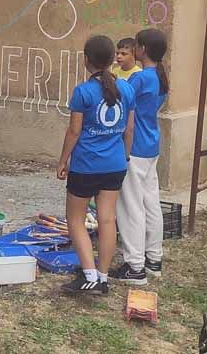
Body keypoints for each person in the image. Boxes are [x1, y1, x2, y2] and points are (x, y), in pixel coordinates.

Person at [56, 35, 136, 295]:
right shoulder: (126, 88)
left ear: (86, 60)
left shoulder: (82, 91)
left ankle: (89, 274)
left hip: (86, 165)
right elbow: (129, 129)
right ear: (113, 59)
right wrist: (124, 156)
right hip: (115, 165)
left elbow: (74, 131)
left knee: (75, 218)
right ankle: (103, 277)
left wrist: (63, 160)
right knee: (107, 219)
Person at [110, 29, 169, 286]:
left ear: (141, 49)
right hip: (151, 145)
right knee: (150, 202)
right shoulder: (159, 76)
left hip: (134, 148)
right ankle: (153, 258)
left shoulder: (139, 79)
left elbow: (118, 100)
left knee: (130, 205)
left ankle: (135, 266)